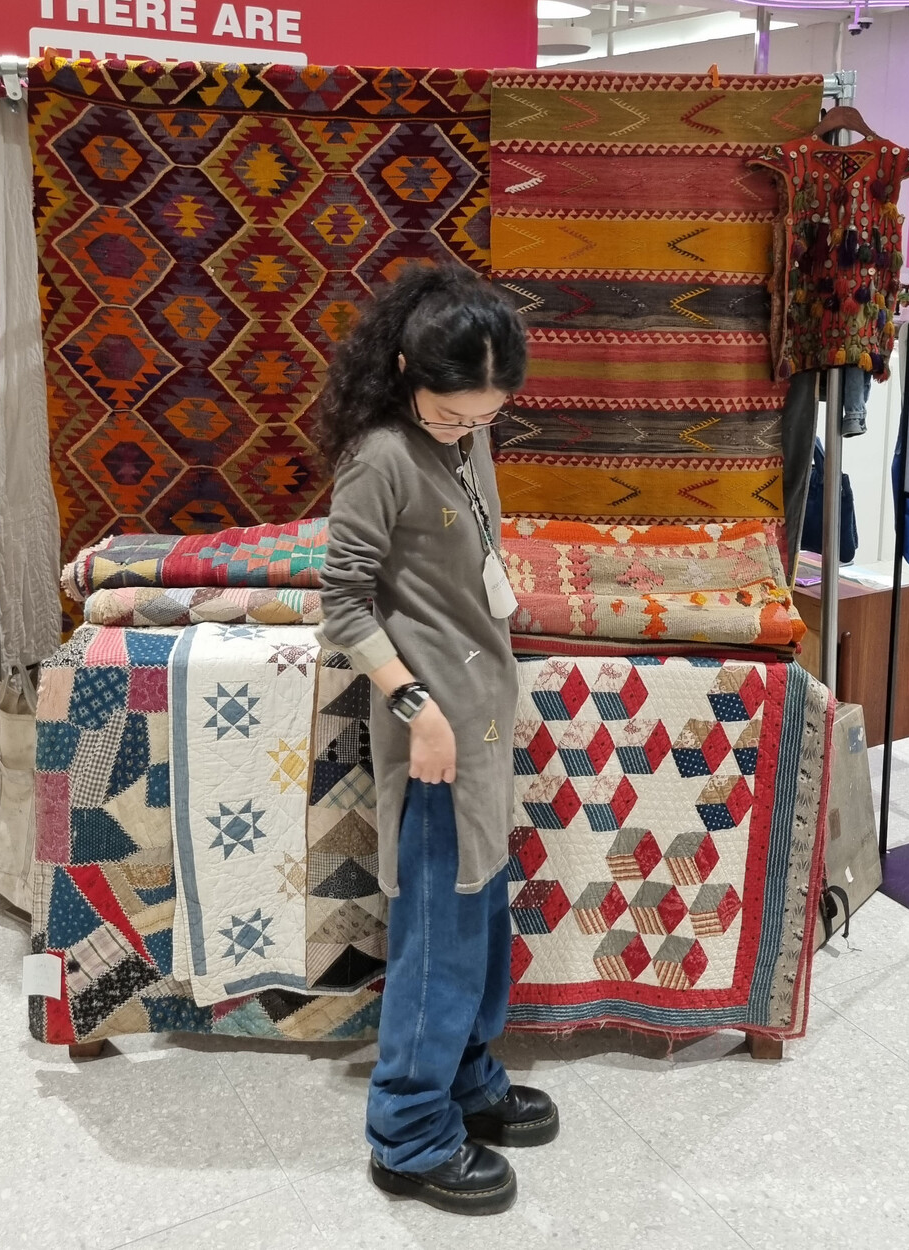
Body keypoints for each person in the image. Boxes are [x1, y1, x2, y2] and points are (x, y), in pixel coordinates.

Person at [314, 264, 559, 1217]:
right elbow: (343, 602)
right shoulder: (380, 456)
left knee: (483, 918)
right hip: (436, 734)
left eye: (485, 417)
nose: (467, 429)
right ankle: (408, 1136)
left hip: (482, 720)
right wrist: (416, 707)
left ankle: (468, 1082)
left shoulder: (467, 431)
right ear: (405, 369)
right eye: (452, 415)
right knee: (438, 936)